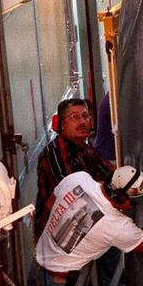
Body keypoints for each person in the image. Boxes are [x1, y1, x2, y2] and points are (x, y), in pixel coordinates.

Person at [35, 98, 116, 238]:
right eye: (74, 117)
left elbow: (109, 173)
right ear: (61, 124)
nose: (82, 122)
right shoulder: (54, 152)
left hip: (83, 224)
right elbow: (72, 193)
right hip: (57, 235)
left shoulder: (84, 148)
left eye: (85, 116)